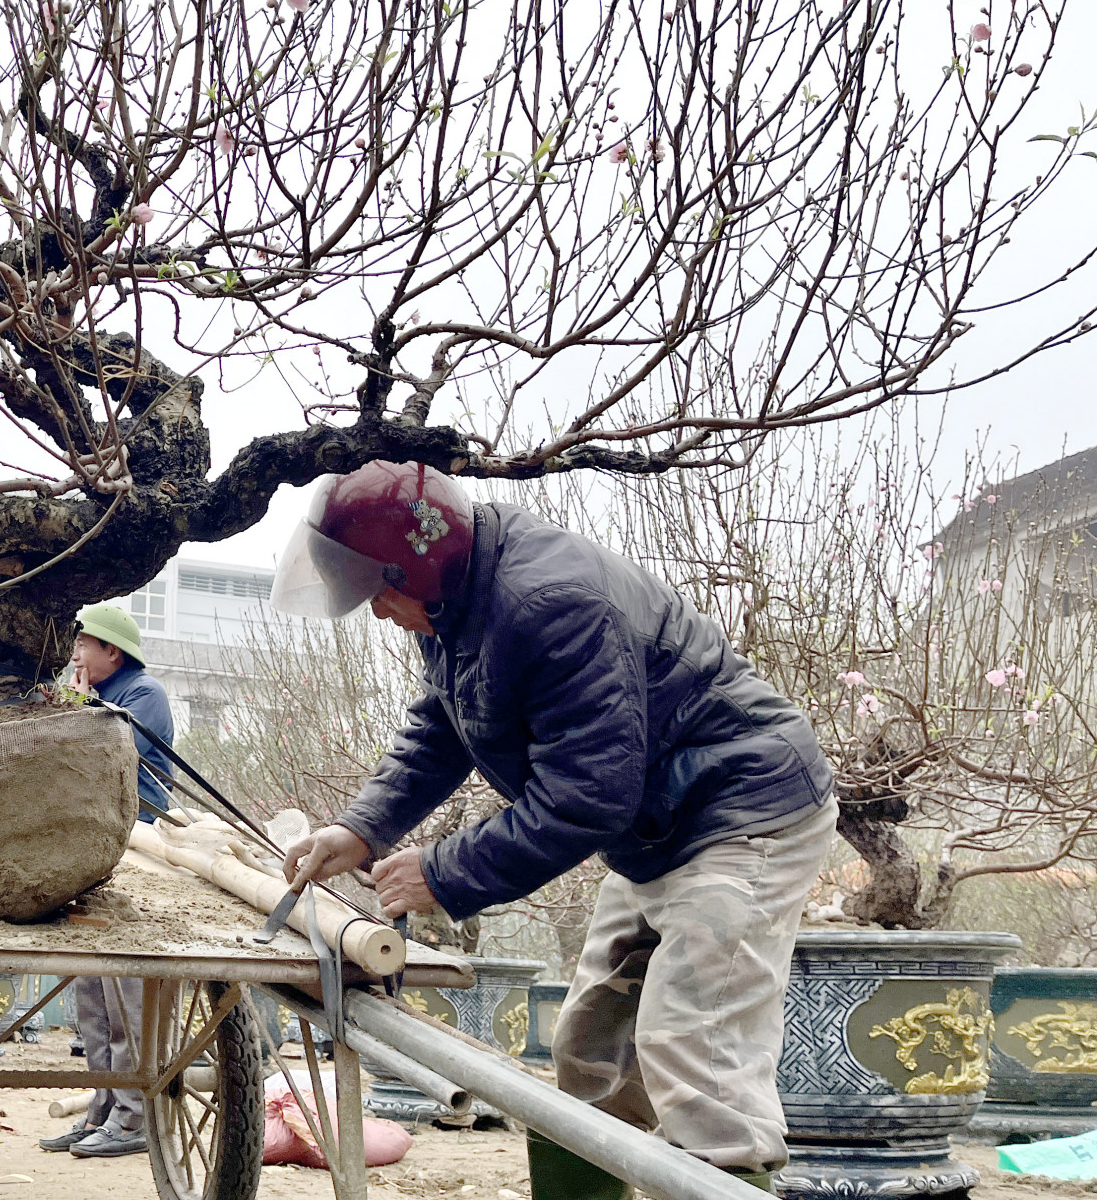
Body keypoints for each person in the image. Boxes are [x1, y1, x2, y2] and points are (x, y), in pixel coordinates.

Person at [275, 461, 836, 1198]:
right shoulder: (452, 598)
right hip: (657, 826)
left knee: (697, 1050)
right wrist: (362, 827)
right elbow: (444, 726)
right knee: (590, 1049)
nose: (377, 612)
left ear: (420, 560)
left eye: (380, 592)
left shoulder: (549, 602)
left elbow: (585, 797)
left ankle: (733, 1177)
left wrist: (443, 873)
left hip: (743, 812)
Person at [40, 602, 174, 1161]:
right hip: (92, 848)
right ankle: (102, 1109)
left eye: (82, 648)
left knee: (124, 993)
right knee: (91, 992)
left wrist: (78, 705)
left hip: (135, 847)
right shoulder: (96, 693)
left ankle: (133, 1115)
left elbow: (103, 756)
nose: (74, 657)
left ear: (111, 652)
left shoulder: (143, 694)